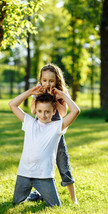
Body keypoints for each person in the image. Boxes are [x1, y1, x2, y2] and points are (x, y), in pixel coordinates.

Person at [8, 85, 80, 207]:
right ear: (35, 110)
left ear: (54, 111)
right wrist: (30, 92)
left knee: (55, 206)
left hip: (44, 176)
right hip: (24, 173)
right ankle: (35, 195)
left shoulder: (57, 126)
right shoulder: (29, 122)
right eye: (40, 111)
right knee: (16, 203)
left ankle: (38, 194)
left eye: (47, 112)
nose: (43, 115)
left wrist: (63, 96)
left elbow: (76, 111)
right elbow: (12, 104)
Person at [29, 64, 78, 204]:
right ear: (41, 80)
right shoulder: (38, 90)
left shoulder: (61, 92)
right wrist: (37, 96)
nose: (48, 84)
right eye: (44, 80)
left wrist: (56, 97)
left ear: (57, 80)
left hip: (56, 132)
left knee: (62, 161)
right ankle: (40, 192)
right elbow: (33, 111)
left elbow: (63, 113)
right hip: (40, 131)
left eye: (51, 81)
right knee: (40, 162)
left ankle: (74, 198)